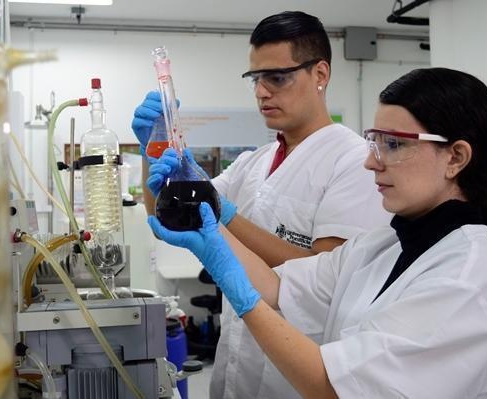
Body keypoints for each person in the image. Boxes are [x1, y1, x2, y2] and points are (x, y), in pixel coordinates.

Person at [148, 67, 487, 399]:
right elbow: (278, 287)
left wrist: (244, 300)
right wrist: (209, 230)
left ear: (456, 158)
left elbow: (333, 388)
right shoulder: (384, 245)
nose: (371, 161)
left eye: (392, 144)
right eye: (374, 141)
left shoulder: (472, 277)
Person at [132, 11, 390, 398]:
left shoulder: (352, 162)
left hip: (299, 374)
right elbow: (166, 218)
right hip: (236, 366)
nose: (262, 92)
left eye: (277, 77)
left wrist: (224, 216)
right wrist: (151, 155)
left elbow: (326, 277)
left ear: (320, 74)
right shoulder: (253, 162)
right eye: (256, 78)